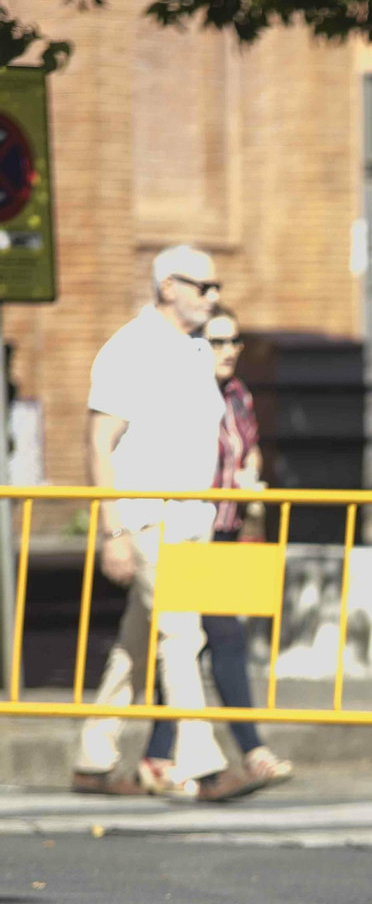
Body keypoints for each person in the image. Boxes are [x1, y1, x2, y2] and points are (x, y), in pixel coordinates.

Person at [69, 245, 255, 803]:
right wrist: (113, 532)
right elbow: (99, 445)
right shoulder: (130, 349)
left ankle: (93, 758)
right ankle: (203, 764)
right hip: (148, 518)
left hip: (192, 519)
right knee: (180, 633)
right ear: (168, 286)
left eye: (216, 286)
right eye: (204, 286)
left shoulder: (196, 351)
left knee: (136, 642)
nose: (214, 297)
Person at [141, 307, 293, 798]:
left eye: (234, 343)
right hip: (188, 530)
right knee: (210, 636)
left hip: (226, 530)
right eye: (217, 341)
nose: (228, 352)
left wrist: (253, 490)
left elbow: (248, 450)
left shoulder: (239, 396)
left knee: (193, 643)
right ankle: (246, 750)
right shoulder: (185, 397)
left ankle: (158, 756)